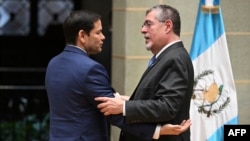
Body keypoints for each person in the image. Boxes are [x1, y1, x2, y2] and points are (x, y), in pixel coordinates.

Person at [45, 10, 191, 141]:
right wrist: (156, 131)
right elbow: (112, 111)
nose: (103, 37)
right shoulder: (91, 69)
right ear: (82, 36)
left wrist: (124, 101)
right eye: (98, 32)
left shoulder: (53, 63)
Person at [95, 4, 194, 141]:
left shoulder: (175, 58)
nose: (142, 30)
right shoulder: (166, 57)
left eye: (148, 24)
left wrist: (124, 107)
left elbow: (168, 106)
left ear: (167, 26)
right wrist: (128, 99)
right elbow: (158, 97)